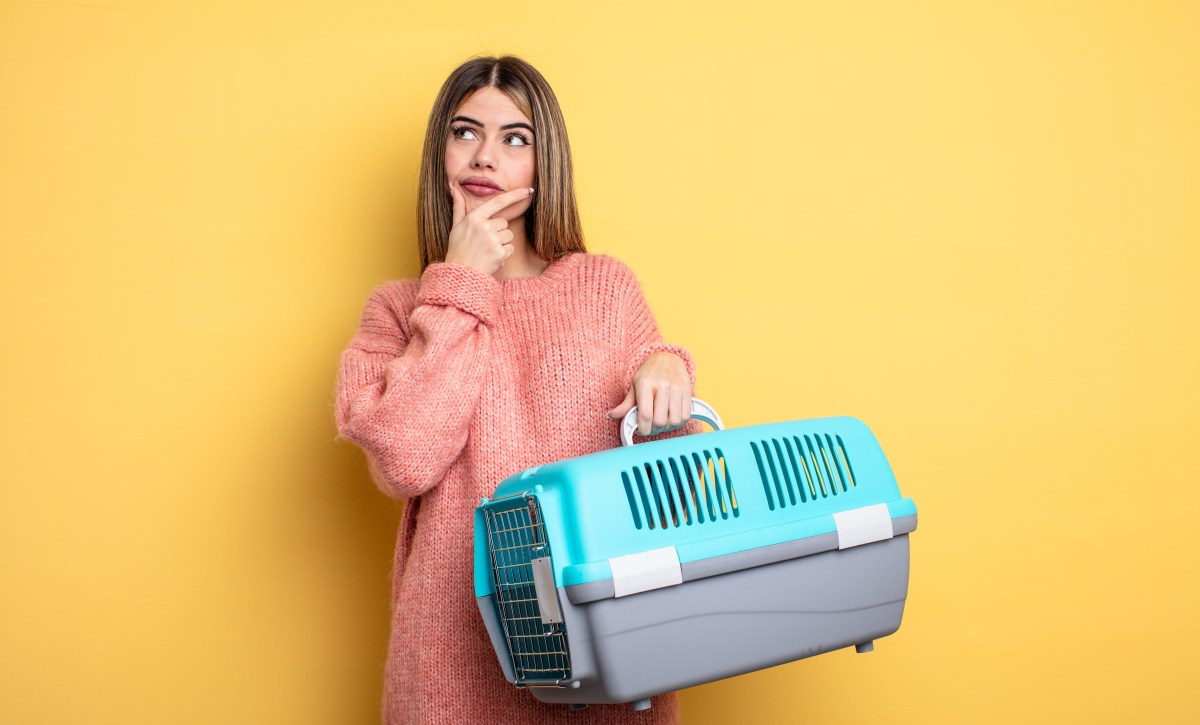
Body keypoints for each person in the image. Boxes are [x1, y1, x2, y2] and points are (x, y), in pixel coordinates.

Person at [333, 54, 701, 724]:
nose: (484, 158)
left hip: (606, 657)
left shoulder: (603, 288)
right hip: (453, 670)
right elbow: (406, 457)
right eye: (465, 132)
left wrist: (669, 373)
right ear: (439, 153)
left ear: (543, 162)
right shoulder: (396, 310)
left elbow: (673, 493)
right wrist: (460, 284)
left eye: (514, 138)